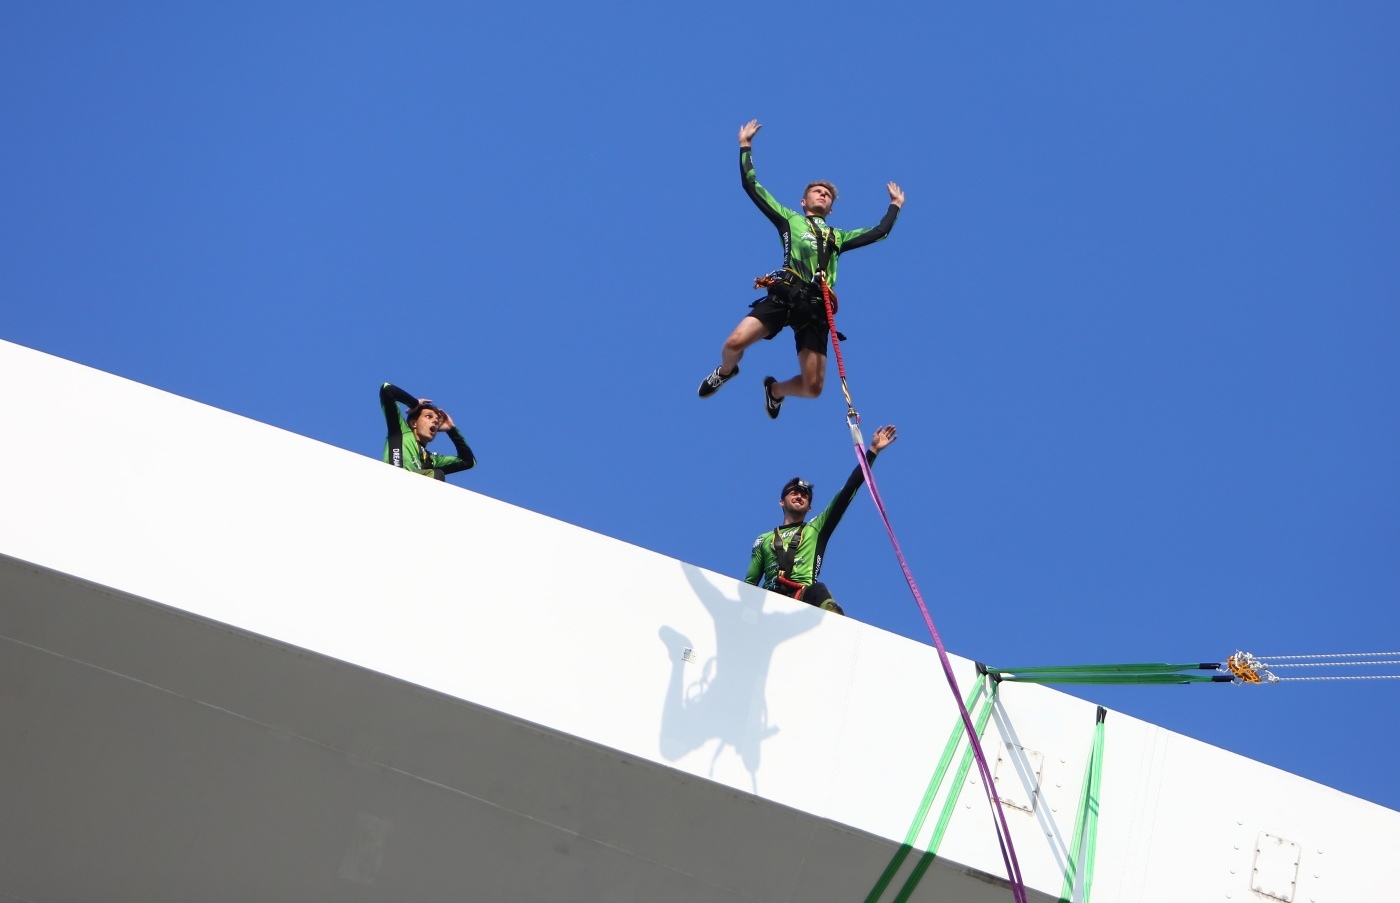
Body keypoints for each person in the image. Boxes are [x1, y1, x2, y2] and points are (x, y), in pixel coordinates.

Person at [698, 119, 905, 419]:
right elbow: (752, 186)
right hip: (786, 294)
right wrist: (745, 146)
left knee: (813, 387)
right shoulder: (789, 220)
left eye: (828, 194)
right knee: (733, 344)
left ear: (831, 208)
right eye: (817, 191)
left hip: (816, 307)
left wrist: (895, 206)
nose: (822, 194)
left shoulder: (838, 237)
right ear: (803, 200)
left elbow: (878, 232)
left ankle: (775, 391)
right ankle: (727, 371)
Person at [745, 425, 898, 614]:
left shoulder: (815, 528)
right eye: (793, 492)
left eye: (805, 495)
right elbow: (750, 582)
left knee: (819, 591)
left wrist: (872, 451)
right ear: (781, 501)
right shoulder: (764, 539)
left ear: (809, 508)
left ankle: (835, 626)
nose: (799, 496)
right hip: (768, 601)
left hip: (802, 598)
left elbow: (847, 491)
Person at [379, 382, 476, 481]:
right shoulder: (401, 430)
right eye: (428, 416)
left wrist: (451, 430)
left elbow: (468, 461)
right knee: (436, 473)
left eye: (437, 421)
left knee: (436, 474)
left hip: (410, 492)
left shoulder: (431, 459)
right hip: (392, 482)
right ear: (414, 423)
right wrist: (414, 403)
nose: (435, 421)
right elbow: (387, 389)